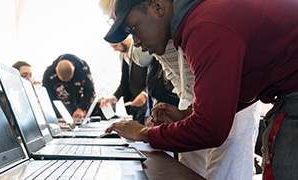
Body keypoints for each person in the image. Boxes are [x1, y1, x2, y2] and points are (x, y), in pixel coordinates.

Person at [104, 0, 298, 179]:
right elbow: (243, 86)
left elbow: (210, 130)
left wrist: (143, 133)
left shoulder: (203, 26)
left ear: (157, 7)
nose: (135, 42)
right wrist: (188, 114)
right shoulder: (199, 18)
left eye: (134, 29)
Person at [100, 37, 152, 125]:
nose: (115, 50)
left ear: (124, 39)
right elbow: (125, 81)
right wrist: (114, 98)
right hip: (132, 107)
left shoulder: (141, 51)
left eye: (115, 46)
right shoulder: (123, 55)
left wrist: (145, 94)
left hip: (146, 106)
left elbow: (152, 75)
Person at [42, 53, 95, 119]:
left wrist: (81, 108)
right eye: (63, 81)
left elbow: (89, 92)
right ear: (56, 69)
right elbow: (47, 97)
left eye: (68, 80)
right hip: (58, 115)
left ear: (74, 68)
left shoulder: (83, 69)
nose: (66, 82)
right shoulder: (48, 74)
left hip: (77, 111)